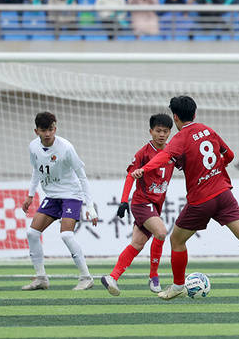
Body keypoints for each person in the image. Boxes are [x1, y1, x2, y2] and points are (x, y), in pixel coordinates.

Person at [130, 96, 239, 299]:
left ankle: (178, 285)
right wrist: (215, 168)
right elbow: (230, 155)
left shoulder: (179, 139)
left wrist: (144, 169)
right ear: (195, 114)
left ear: (175, 117)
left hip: (201, 199)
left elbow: (163, 157)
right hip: (224, 193)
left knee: (176, 240)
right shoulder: (208, 130)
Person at [21, 112, 99, 291]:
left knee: (66, 235)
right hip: (52, 197)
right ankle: (41, 278)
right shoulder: (33, 147)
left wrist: (90, 206)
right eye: (44, 130)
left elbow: (82, 177)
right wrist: (30, 195)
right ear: (36, 131)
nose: (48, 134)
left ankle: (86, 277)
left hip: (71, 195)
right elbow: (36, 170)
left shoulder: (66, 148)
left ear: (55, 128)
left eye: (51, 129)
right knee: (32, 233)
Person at [101, 113, 177, 296]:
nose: (161, 134)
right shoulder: (143, 153)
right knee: (161, 232)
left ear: (170, 133)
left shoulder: (172, 153)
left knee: (137, 243)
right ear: (151, 131)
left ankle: (112, 277)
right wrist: (123, 201)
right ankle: (154, 276)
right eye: (158, 131)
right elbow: (130, 176)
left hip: (156, 205)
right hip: (142, 202)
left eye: (165, 131)